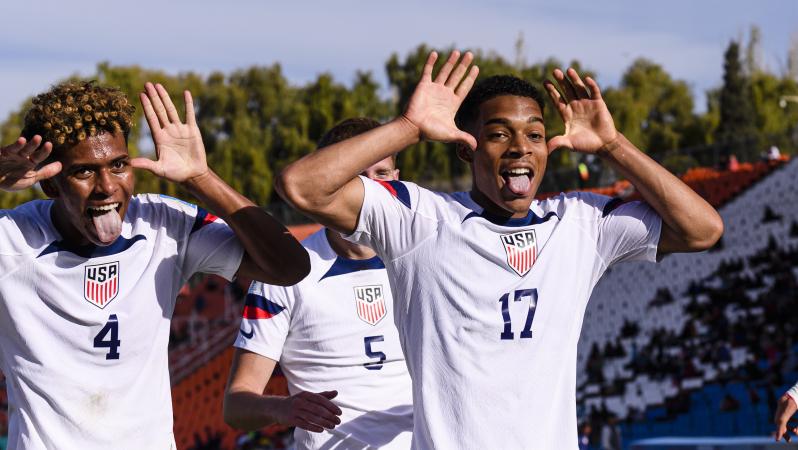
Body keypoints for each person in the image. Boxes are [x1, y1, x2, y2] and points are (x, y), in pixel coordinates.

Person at [276, 50, 723, 448]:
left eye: (533, 134)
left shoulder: (579, 223)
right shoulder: (418, 220)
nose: (519, 149)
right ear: (466, 150)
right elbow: (302, 186)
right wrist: (408, 129)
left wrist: (612, 145)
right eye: (499, 134)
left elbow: (702, 229)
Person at [0, 80, 309, 449]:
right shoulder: (12, 239)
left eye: (118, 165)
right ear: (50, 184)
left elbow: (289, 266)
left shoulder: (163, 223)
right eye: (84, 171)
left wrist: (201, 178)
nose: (107, 187)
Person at [224, 118, 413, 449]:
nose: (370, 190)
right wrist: (282, 408)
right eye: (356, 178)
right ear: (327, 181)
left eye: (382, 175)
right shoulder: (287, 271)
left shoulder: (424, 257)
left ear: (397, 179)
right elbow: (237, 404)